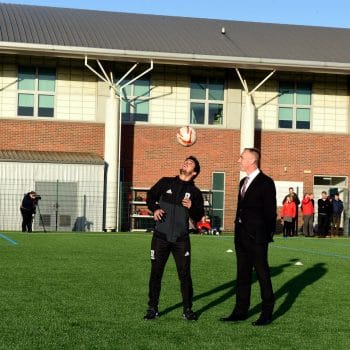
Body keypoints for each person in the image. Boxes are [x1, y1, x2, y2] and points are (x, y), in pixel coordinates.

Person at [144, 156, 204, 321]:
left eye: (190, 163)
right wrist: (155, 208)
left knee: (184, 275)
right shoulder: (165, 182)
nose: (186, 163)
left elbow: (199, 215)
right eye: (185, 161)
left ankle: (187, 310)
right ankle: (152, 308)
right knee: (156, 273)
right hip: (160, 238)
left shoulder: (195, 193)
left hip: (181, 240)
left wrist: (192, 207)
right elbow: (150, 196)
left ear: (194, 172)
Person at [221, 147, 276, 326]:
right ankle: (240, 312)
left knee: (262, 274)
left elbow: (270, 212)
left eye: (242, 157)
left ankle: (266, 313)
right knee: (242, 275)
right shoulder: (243, 181)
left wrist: (265, 235)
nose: (239, 160)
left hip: (258, 237)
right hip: (241, 236)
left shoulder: (266, 182)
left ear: (252, 161)